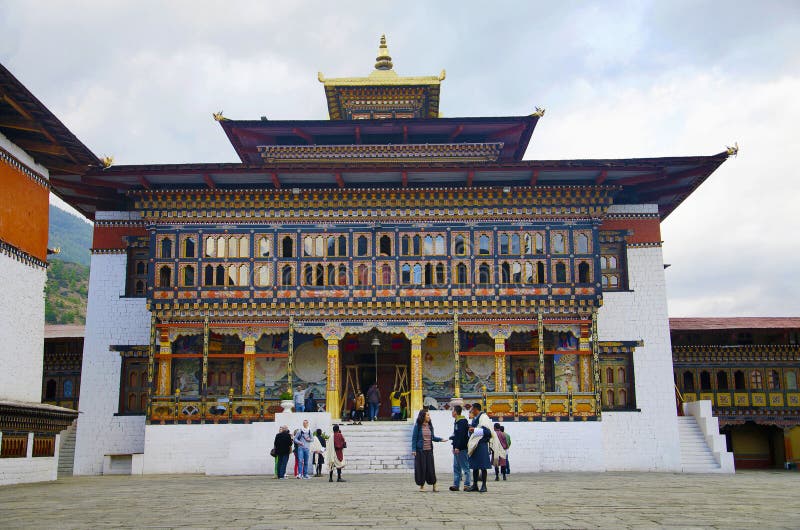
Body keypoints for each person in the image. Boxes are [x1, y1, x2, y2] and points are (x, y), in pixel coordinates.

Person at [411, 409, 444, 492]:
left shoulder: (430, 425)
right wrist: (413, 449)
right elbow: (414, 438)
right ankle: (422, 486)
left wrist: (440, 439)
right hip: (420, 450)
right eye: (427, 415)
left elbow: (432, 437)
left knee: (430, 468)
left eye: (429, 415)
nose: (429, 417)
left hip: (429, 450)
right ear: (423, 416)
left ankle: (434, 485)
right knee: (421, 468)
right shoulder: (418, 425)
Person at [467, 403, 493, 492]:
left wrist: (474, 430)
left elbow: (488, 432)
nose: (471, 411)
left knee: (483, 466)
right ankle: (475, 485)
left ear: (475, 409)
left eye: (472, 409)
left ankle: (484, 485)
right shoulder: (476, 418)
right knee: (475, 466)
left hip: (482, 444)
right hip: (475, 445)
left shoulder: (484, 418)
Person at [448, 405, 471, 491]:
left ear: (455, 412)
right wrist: (454, 446)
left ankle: (467, 484)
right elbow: (456, 435)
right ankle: (456, 484)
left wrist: (457, 447)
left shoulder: (462, 421)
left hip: (462, 448)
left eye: (452, 410)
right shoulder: (457, 421)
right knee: (456, 467)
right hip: (456, 448)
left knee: (465, 467)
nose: (452, 412)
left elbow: (462, 436)